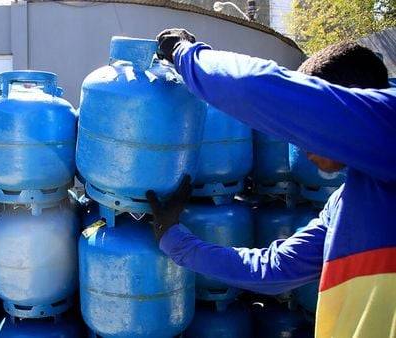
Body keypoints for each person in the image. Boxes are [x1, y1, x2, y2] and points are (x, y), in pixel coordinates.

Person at [146, 29, 396, 338]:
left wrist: (185, 55)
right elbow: (275, 270)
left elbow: (258, 89)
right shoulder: (345, 204)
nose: (301, 144)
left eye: (308, 130)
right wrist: (175, 240)